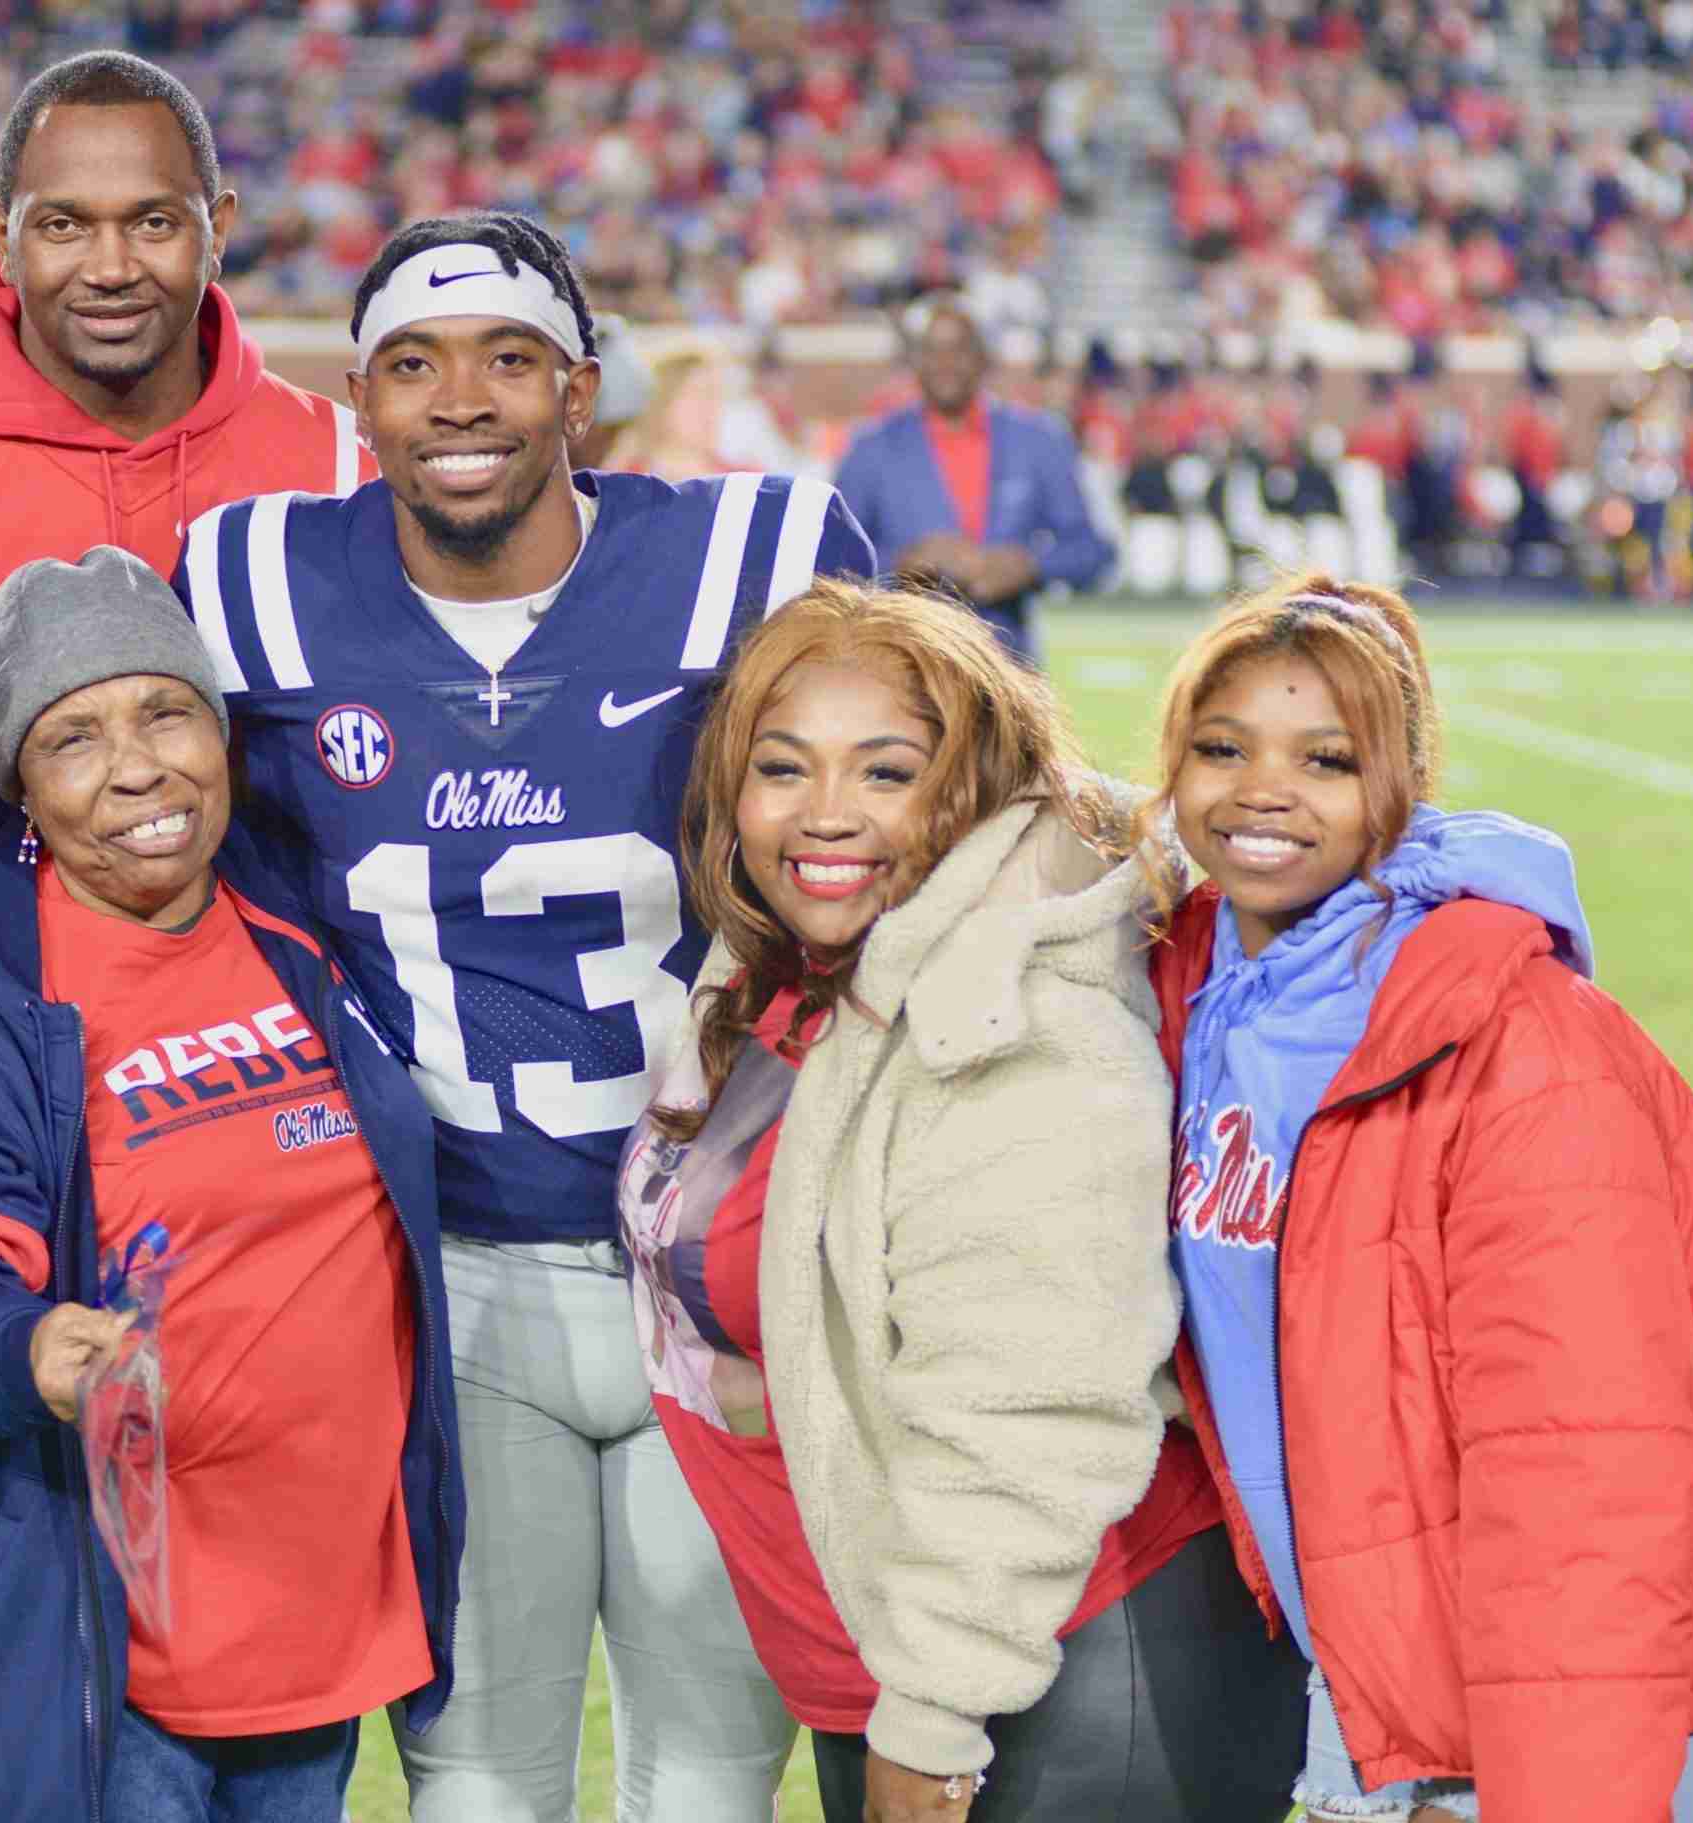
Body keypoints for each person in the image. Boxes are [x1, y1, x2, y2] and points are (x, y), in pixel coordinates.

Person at [172, 210, 875, 1822]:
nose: (461, 398)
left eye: (508, 357)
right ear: (361, 401)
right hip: (455, 1277)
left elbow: (952, 784)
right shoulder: (252, 585)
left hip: (720, 1268)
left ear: (580, 388)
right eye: (413, 364)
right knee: (478, 1786)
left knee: (710, 1787)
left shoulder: (761, 557)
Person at [1144, 575, 1693, 1823]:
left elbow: (1582, 1474)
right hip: (1392, 1646)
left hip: (1599, 1679)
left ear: (1402, 784)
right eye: (1221, 746)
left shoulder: (1519, 1046)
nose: (1262, 788)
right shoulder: (1201, 986)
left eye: (1326, 758)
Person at [622, 578, 1305, 1823]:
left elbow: (1027, 1415)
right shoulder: (785, 960)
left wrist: (934, 1712)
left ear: (974, 786)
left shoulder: (1014, 1028)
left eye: (886, 772)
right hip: (896, 1657)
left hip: (1059, 1678)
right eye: (782, 767)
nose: (826, 811)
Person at [0, 547, 462, 1823]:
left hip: (315, 1615)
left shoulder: (297, 915)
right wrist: (24, 1348)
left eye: (166, 712)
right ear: (20, 785)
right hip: (109, 1644)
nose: (136, 768)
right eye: (72, 737)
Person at [0, 49, 374, 815]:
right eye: (63, 225)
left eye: (154, 222)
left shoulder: (345, 471)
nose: (111, 267)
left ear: (219, 230)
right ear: (2, 234)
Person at [832, 292, 1112, 668]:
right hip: (903, 668)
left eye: (959, 349)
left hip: (1007, 668)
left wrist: (1029, 565)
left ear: (983, 356)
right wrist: (902, 564)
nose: (945, 363)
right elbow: (829, 562)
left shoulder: (1038, 439)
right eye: (931, 350)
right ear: (912, 359)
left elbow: (1093, 550)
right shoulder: (871, 447)